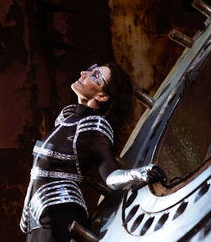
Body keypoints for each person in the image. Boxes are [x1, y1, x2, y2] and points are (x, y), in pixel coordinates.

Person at [20, 63, 166, 242]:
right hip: (39, 214)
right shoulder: (68, 119)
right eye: (90, 69)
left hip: (61, 212)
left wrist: (141, 173)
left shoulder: (95, 126)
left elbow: (110, 176)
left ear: (102, 96)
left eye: (94, 75)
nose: (83, 73)